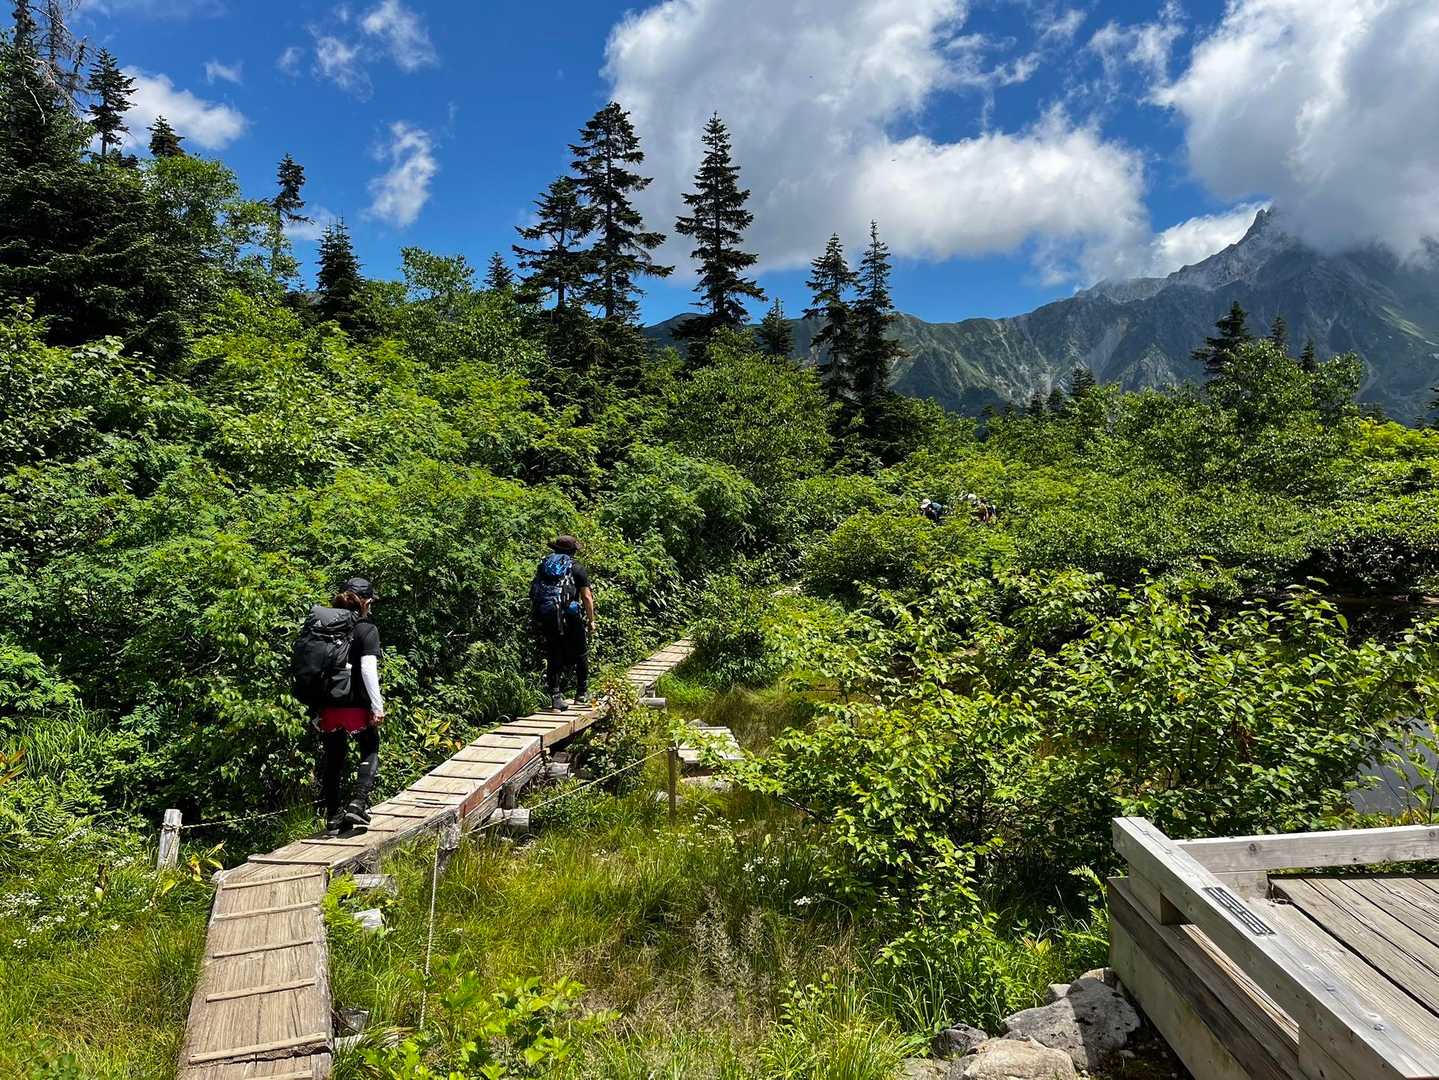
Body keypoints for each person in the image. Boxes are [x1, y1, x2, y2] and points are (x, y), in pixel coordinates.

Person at [316, 577, 384, 836]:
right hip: (355, 705)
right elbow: (368, 669)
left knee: (334, 758)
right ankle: (358, 802)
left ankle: (333, 817)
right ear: (366, 602)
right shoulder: (367, 629)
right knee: (370, 747)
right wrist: (377, 706)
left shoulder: (324, 627)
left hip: (327, 706)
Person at [530, 535, 596, 711]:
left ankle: (556, 698)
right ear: (573, 551)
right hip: (570, 615)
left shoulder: (544, 566)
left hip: (549, 615)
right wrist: (591, 621)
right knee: (581, 652)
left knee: (554, 653)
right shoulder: (577, 568)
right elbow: (586, 597)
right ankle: (581, 693)